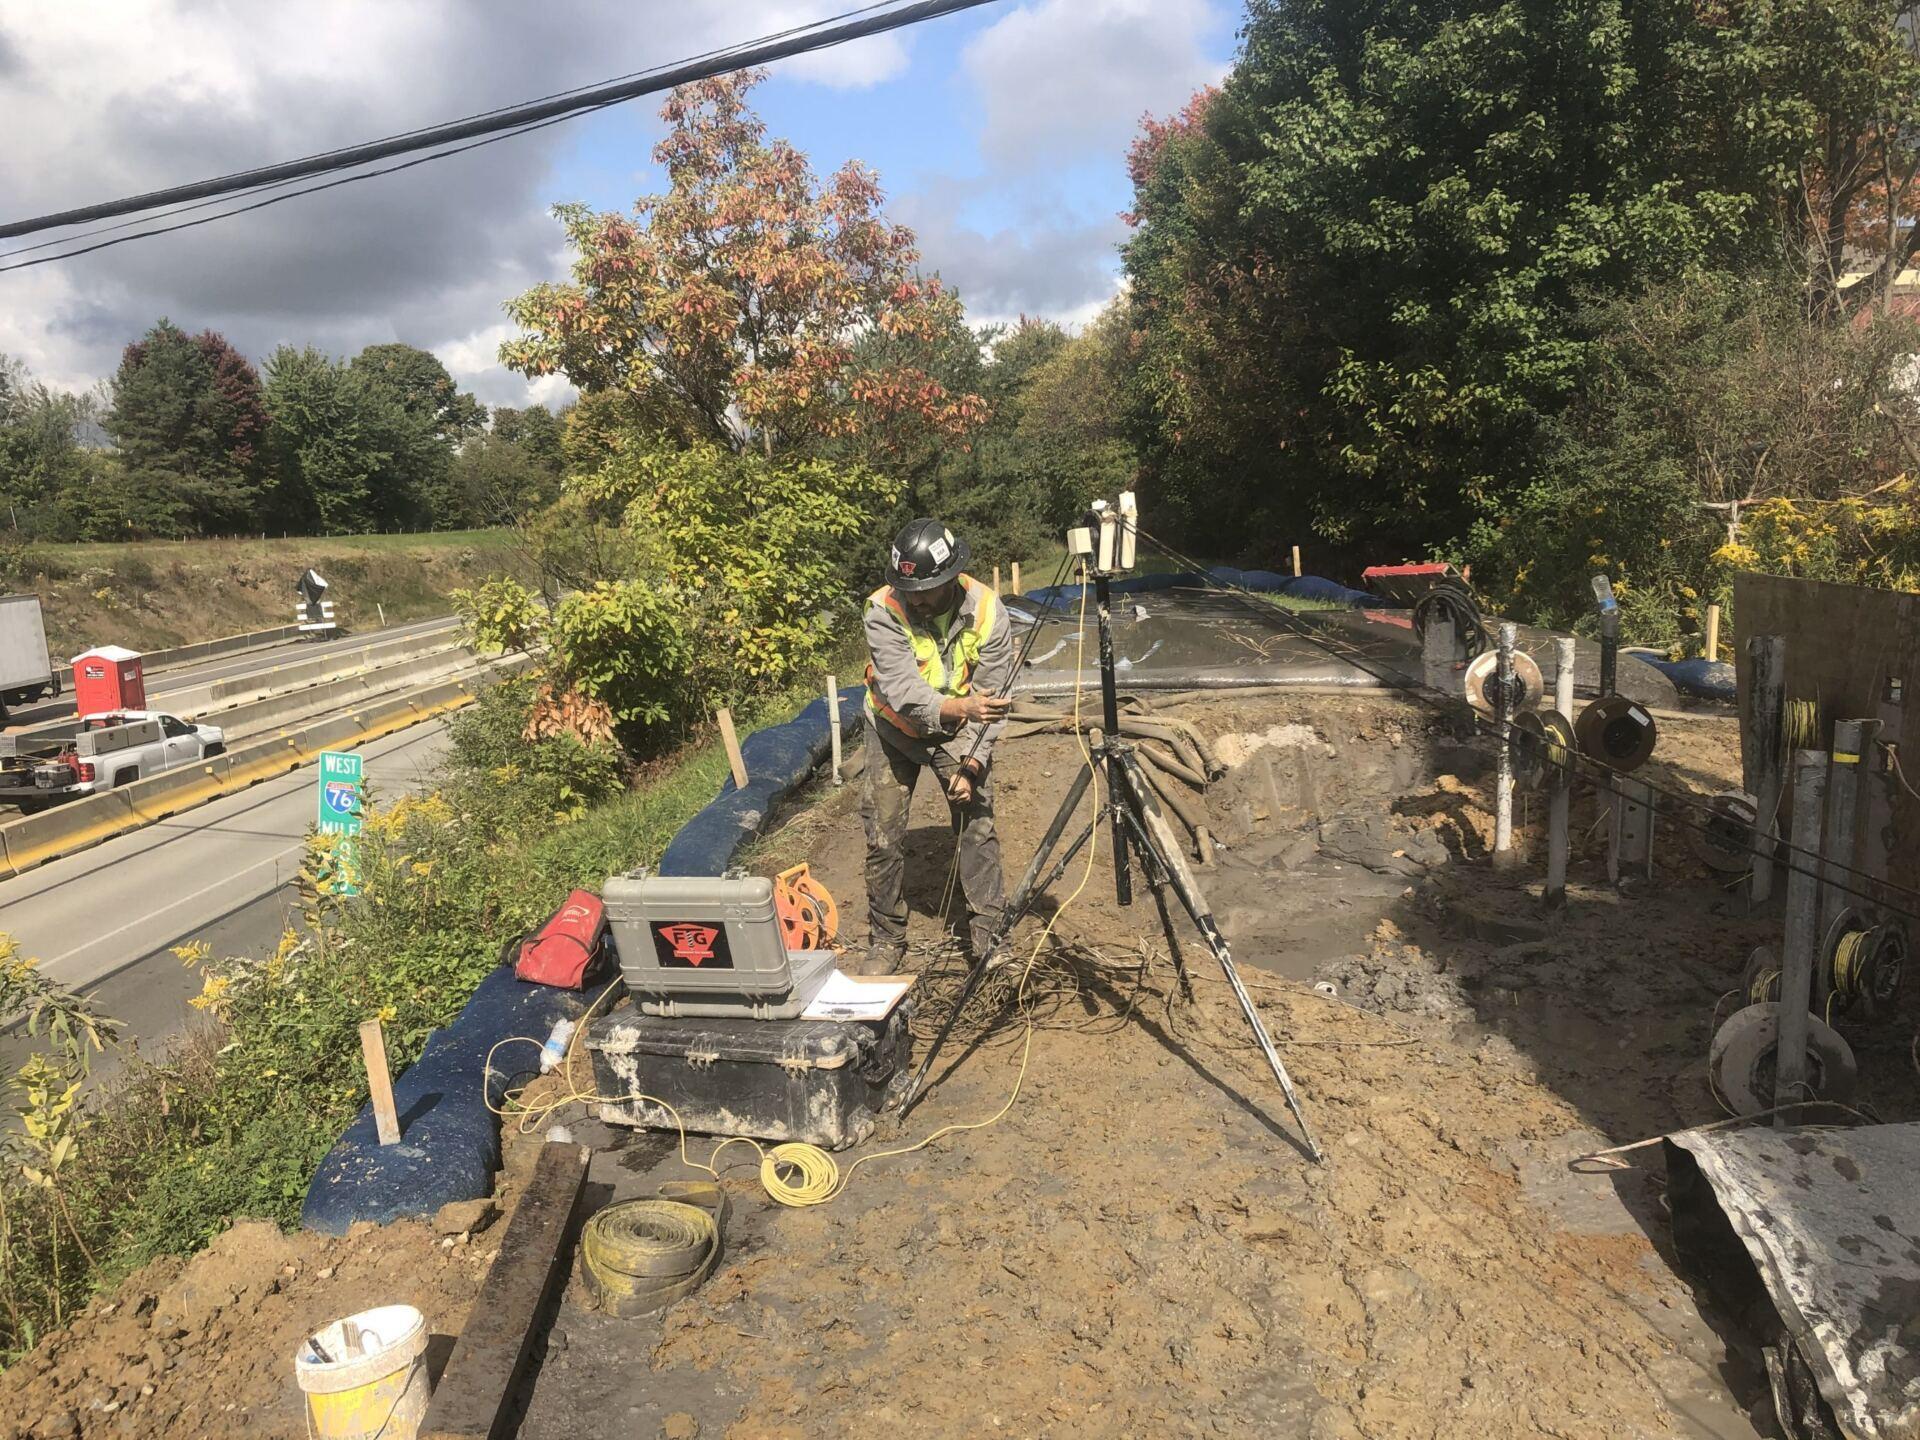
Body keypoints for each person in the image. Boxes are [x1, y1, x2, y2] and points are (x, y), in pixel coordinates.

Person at [859, 518, 1015, 974]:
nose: (916, 598)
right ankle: (887, 940)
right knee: (882, 834)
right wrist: (962, 708)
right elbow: (905, 693)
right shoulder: (882, 610)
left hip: (960, 733)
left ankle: (990, 939)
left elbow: (992, 703)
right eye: (908, 588)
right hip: (893, 730)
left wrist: (969, 765)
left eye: (925, 589)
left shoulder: (989, 612)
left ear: (950, 579)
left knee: (978, 828)